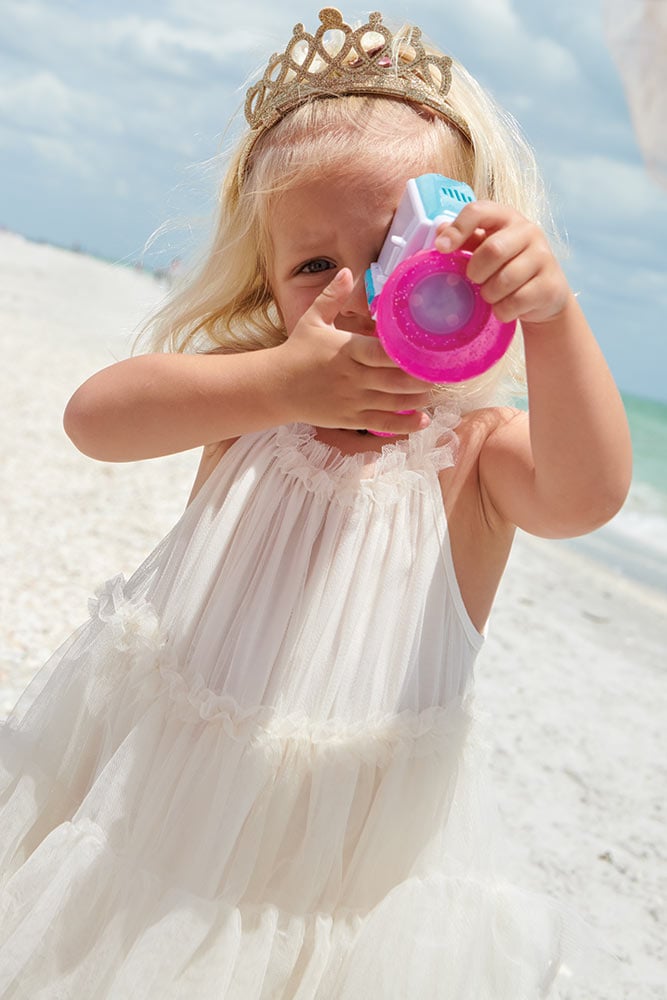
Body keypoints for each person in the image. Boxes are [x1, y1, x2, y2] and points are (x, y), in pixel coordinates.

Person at [0, 7, 631, 997]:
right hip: (161, 822)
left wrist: (551, 315)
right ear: (269, 283)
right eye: (312, 266)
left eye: (390, 253)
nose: (354, 289)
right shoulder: (252, 396)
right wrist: (277, 385)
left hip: (349, 879)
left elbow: (587, 493)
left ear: (458, 272)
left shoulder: (470, 457)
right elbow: (96, 420)